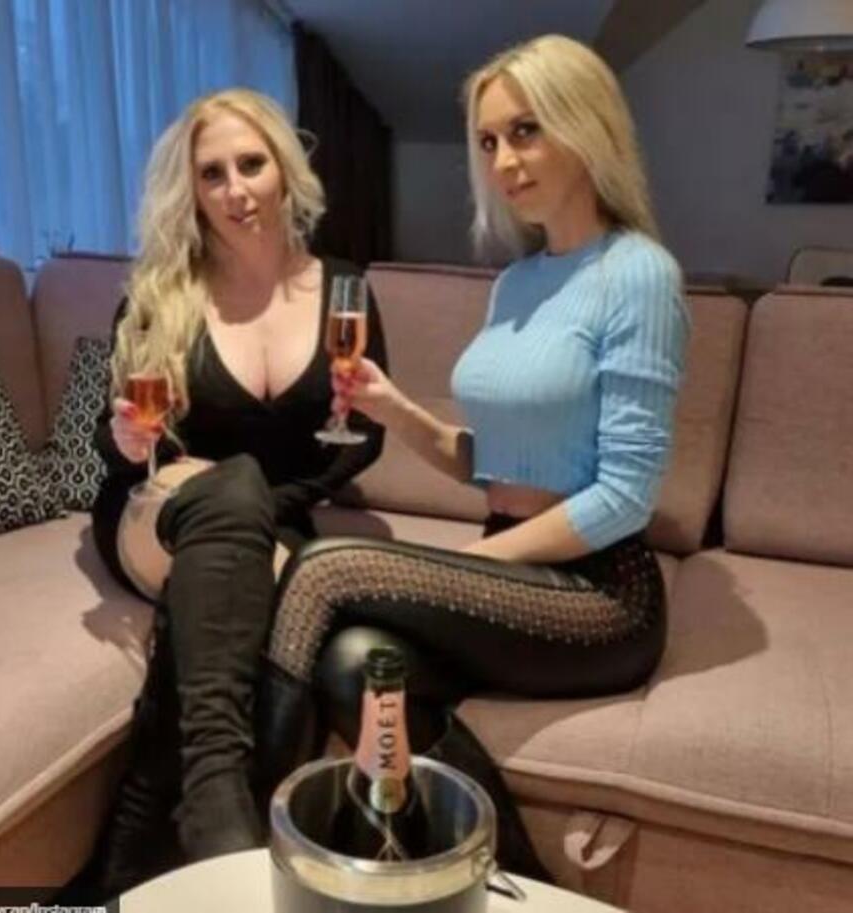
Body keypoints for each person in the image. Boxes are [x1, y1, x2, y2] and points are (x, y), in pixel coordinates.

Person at [255, 34, 689, 881]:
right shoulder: (518, 282)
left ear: (586, 124)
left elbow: (626, 496)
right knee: (356, 666)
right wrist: (394, 408)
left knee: (321, 568)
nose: (503, 161)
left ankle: (246, 840)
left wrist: (477, 561)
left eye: (525, 131)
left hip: (602, 593)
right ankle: (515, 879)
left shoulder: (639, 274)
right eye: (488, 142)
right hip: (514, 565)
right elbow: (492, 465)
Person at [80, 88, 387, 898]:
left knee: (237, 529)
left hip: (257, 525)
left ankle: (129, 864)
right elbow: (111, 443)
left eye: (250, 164)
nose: (234, 190)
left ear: (284, 169)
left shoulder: (344, 290)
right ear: (192, 189)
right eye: (211, 173)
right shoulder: (159, 293)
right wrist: (125, 442)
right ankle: (219, 800)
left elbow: (366, 433)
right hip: (155, 511)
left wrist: (258, 513)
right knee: (234, 485)